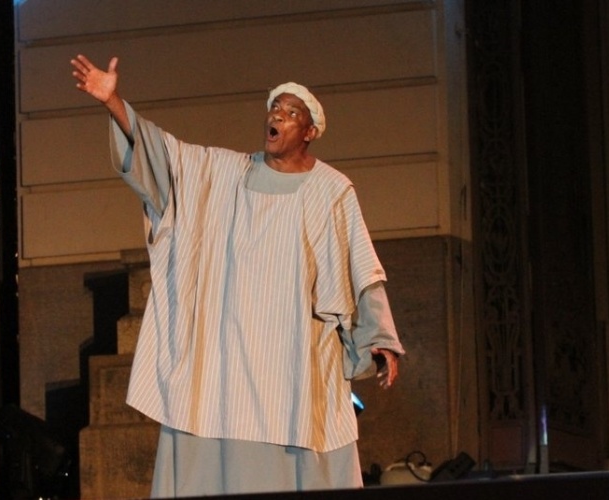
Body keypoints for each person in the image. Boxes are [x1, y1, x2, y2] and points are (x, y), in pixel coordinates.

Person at [70, 55, 406, 496]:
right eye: (274, 108)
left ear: (309, 132)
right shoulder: (223, 174)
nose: (276, 117)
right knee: (205, 425)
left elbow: (360, 265)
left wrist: (379, 338)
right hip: (223, 367)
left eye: (290, 114)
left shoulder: (332, 191)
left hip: (293, 366)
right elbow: (164, 159)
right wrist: (113, 101)